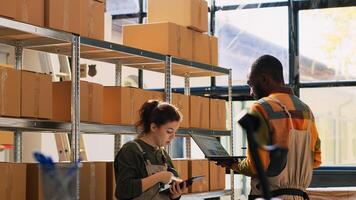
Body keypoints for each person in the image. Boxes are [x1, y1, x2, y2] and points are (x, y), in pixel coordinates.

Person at [222, 55, 322, 199]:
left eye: (251, 84)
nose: (251, 92)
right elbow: (316, 160)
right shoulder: (306, 111)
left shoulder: (261, 107)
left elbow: (256, 165)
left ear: (264, 79)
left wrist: (234, 165)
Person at [114, 100, 186, 200]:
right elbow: (124, 191)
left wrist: (175, 195)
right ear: (153, 127)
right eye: (169, 131)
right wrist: (159, 177)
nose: (173, 137)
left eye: (175, 132)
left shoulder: (163, 154)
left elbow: (169, 190)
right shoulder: (131, 151)